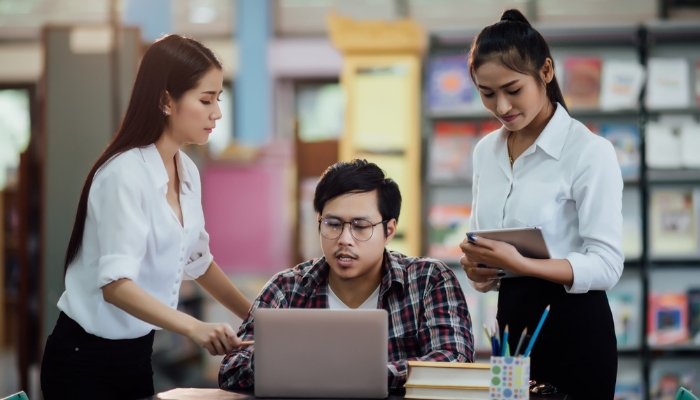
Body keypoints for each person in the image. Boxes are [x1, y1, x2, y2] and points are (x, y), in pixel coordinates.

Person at [40, 34, 252, 400]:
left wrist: (259, 317)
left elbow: (198, 261)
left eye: (218, 99)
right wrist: (194, 328)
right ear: (166, 101)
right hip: (82, 361)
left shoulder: (186, 170)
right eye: (205, 100)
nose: (216, 112)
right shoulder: (123, 174)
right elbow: (116, 286)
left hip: (136, 356)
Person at [459, 9, 623, 400]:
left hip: (576, 329)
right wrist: (479, 269)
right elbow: (484, 239)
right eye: (487, 93)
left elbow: (607, 264)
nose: (501, 107)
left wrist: (522, 265)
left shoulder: (589, 152)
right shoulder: (485, 152)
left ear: (546, 72)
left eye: (513, 90)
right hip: (511, 328)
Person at [219, 159, 474, 392]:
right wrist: (282, 361)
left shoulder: (428, 280)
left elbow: (453, 360)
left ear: (389, 229)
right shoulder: (287, 287)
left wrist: (364, 375)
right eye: (333, 224)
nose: (344, 240)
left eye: (360, 227)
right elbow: (231, 369)